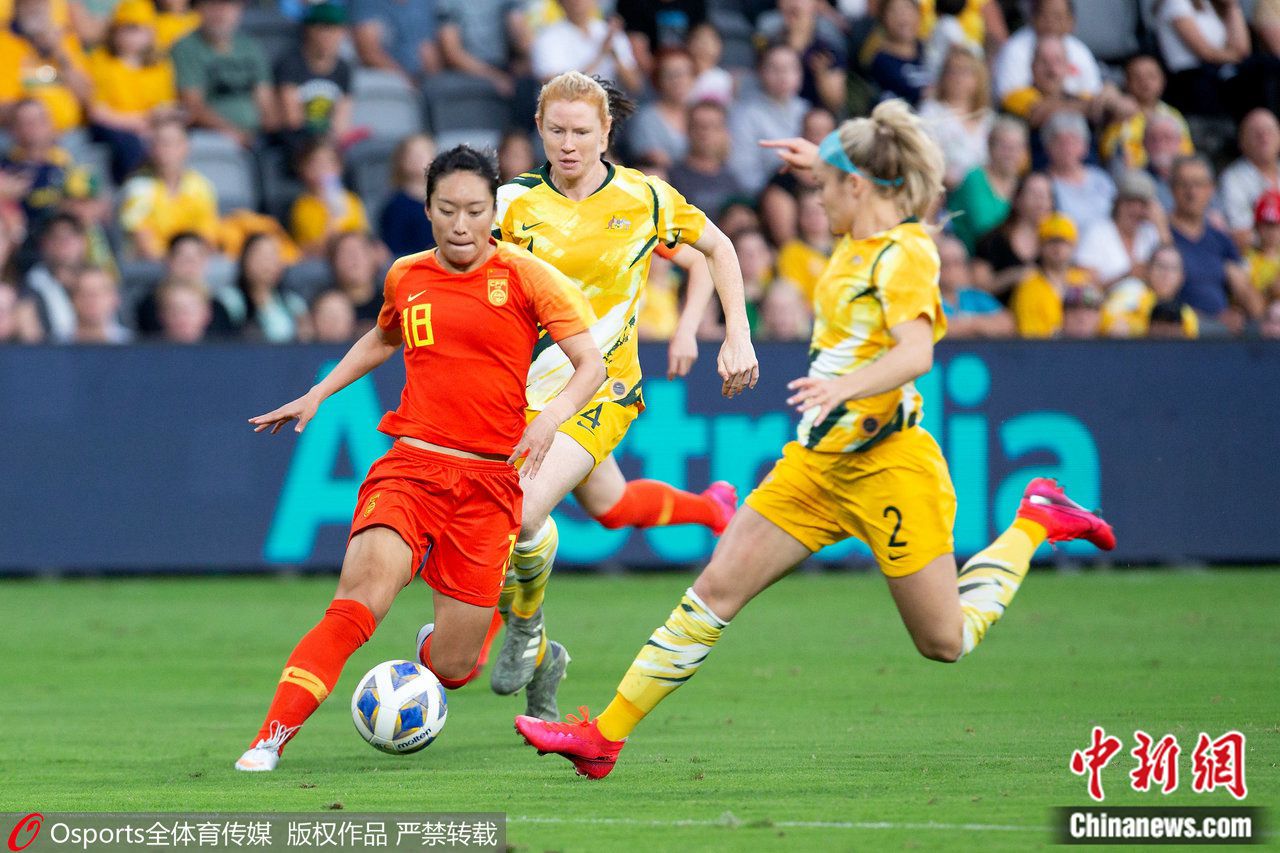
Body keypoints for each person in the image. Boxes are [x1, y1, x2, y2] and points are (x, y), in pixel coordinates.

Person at [512, 100, 1115, 779]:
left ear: (857, 187)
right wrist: (818, 158)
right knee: (714, 592)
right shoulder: (856, 236)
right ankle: (604, 738)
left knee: (944, 640)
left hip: (890, 463)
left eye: (827, 187)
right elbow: (855, 179)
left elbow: (916, 352)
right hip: (816, 466)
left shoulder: (905, 253)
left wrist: (843, 388)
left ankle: (1035, 519)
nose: (817, 201)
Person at [235, 145, 605, 772]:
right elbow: (383, 337)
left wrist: (550, 418)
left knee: (454, 669)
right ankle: (269, 739)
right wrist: (319, 392)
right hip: (412, 468)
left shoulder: (527, 277)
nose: (461, 225)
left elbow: (590, 364)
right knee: (358, 602)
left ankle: (446, 646)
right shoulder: (406, 275)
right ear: (428, 209)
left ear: (494, 212)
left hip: (489, 483)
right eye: (447, 210)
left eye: (475, 211)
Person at [485, 71, 758, 720]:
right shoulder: (510, 203)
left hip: (603, 390)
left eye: (582, 131)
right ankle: (711, 508)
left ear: (606, 132)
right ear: (538, 129)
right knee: (608, 505)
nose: (569, 144)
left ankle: (525, 629)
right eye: (556, 130)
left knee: (519, 514)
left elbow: (714, 250)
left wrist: (728, 333)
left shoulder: (644, 197)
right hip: (523, 391)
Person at [86, 0, 177, 183]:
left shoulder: (160, 64)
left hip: (149, 125)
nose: (131, 35)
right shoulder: (99, 60)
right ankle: (136, 185)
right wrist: (137, 123)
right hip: (112, 126)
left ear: (151, 32)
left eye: (138, 29)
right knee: (128, 142)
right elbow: (97, 111)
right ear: (114, 31)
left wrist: (151, 124)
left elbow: (166, 106)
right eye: (126, 28)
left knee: (170, 137)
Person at [1168, 154, 1262, 333]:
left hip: (1222, 334)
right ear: (1172, 189)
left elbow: (1253, 303)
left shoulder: (1221, 239)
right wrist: (1211, 321)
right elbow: (1155, 299)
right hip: (1177, 331)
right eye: (1184, 184)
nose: (1192, 193)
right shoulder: (1159, 234)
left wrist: (1239, 308)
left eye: (1199, 184)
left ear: (1211, 189)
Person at [118, 115, 220, 260]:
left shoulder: (201, 187)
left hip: (192, 264)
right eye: (157, 143)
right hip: (151, 268)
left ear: (186, 146)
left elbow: (208, 239)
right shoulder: (137, 188)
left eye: (170, 143)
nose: (164, 150)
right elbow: (146, 247)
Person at [729, 43, 810, 196]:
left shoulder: (807, 109)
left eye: (789, 68)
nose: (783, 75)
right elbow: (742, 170)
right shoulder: (745, 114)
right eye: (774, 68)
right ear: (760, 72)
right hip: (764, 195)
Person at [0, 0, 92, 134]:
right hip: (22, 134)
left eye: (41, 3)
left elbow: (85, 98)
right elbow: (3, 106)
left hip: (71, 132)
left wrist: (58, 52)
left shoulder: (65, 39)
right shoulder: (4, 43)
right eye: (28, 4)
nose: (35, 8)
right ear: (16, 7)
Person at [274, 3, 352, 156]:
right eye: (323, 29)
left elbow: (342, 121)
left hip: (330, 144)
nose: (329, 36)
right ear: (309, 30)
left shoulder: (343, 68)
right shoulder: (290, 64)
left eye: (334, 29)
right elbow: (292, 120)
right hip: (297, 144)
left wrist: (330, 141)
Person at [1099, 55, 1193, 174]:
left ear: (1163, 80)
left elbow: (1187, 153)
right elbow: (1109, 153)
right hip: (1133, 176)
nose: (1145, 82)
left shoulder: (1173, 115)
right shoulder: (1119, 113)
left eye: (1151, 76)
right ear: (1126, 82)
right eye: (1137, 77)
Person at [945, 116, 1027, 252]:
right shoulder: (974, 179)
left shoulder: (1024, 184)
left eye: (1016, 147)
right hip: (971, 255)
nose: (1010, 154)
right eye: (1004, 147)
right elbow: (983, 226)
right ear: (990, 146)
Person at [1076, 170, 1168, 289]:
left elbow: (1172, 270)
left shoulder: (1151, 233)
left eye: (1142, 204)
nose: (1136, 210)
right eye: (1130, 202)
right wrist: (1127, 276)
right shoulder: (1097, 232)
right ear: (1118, 203)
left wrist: (1161, 225)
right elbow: (1086, 287)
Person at [918, 46, 993, 189]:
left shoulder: (988, 118)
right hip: (943, 189)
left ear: (979, 77)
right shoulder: (930, 111)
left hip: (983, 190)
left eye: (965, 71)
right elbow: (924, 158)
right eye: (952, 71)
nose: (958, 78)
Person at [1011, 212, 1096, 337]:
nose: (1058, 248)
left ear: (1074, 246)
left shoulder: (1082, 280)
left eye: (1063, 242)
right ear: (1040, 246)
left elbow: (1103, 321)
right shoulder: (1029, 285)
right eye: (1051, 242)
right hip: (1047, 347)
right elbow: (1031, 337)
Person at [973, 170, 1053, 300]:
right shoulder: (993, 240)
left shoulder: (1055, 240)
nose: (1041, 200)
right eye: (1034, 193)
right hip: (997, 309)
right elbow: (977, 288)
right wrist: (1013, 276)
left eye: (1046, 195)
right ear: (1017, 199)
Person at [531, 0, 643, 93]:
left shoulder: (610, 32)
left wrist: (614, 54)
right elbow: (556, 87)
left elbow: (635, 86)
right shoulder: (547, 38)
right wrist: (600, 55)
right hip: (569, 109)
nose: (578, 2)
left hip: (611, 107)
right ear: (560, 2)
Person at [220, 231, 307, 341]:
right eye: (260, 255)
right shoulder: (229, 301)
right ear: (244, 259)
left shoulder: (293, 304)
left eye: (272, 256)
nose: (266, 263)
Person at [290, 140, 370, 258]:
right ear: (303, 168)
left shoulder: (352, 200)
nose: (323, 168)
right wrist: (332, 218)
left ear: (339, 167)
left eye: (329, 162)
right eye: (315, 163)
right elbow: (317, 249)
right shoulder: (302, 206)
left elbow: (363, 236)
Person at [1101, 242, 1199, 338]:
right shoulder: (1130, 295)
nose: (1166, 274)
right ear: (1148, 270)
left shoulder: (1187, 315)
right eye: (1161, 266)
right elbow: (1110, 328)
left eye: (1173, 268)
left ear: (1181, 277)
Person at [666, 100, 743, 221]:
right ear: (687, 130)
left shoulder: (733, 178)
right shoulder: (670, 178)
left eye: (714, 127)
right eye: (700, 126)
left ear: (724, 132)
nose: (706, 133)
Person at [1043, 112, 1115, 237]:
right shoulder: (1043, 183)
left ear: (1085, 147)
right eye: (1060, 142)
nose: (1067, 148)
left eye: (1073, 141)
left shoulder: (1101, 178)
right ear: (1048, 148)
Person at [1217, 109, 1280, 249]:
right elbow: (1240, 234)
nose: (1264, 138)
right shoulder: (1232, 179)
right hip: (1252, 257)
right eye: (1256, 133)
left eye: (1269, 131)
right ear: (1242, 142)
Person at [626, 47, 696, 169]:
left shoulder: (701, 112)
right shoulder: (646, 118)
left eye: (685, 73)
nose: (679, 81)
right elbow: (653, 160)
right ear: (658, 80)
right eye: (671, 75)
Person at [936, 232, 1013, 338]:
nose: (952, 270)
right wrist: (977, 324)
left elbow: (1008, 324)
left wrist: (972, 324)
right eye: (945, 263)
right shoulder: (926, 300)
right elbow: (932, 329)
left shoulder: (975, 296)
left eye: (957, 263)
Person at [350, 0, 440, 84]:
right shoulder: (366, 3)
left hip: (426, 77)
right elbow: (369, 53)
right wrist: (408, 81)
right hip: (388, 79)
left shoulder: (424, 3)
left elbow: (429, 49)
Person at [379, 134, 436, 258]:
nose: (419, 159)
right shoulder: (396, 206)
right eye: (414, 155)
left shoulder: (446, 198)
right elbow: (394, 250)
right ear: (402, 161)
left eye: (424, 153)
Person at [69, 266, 132, 344]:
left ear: (115, 299)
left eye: (100, 292)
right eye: (84, 293)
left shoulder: (133, 344)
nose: (92, 299)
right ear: (72, 299)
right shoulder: (58, 342)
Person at [1245, 189, 1280, 301]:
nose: (1272, 231)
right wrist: (1270, 292)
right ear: (1256, 226)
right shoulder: (1247, 258)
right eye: (1267, 225)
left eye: (1277, 225)